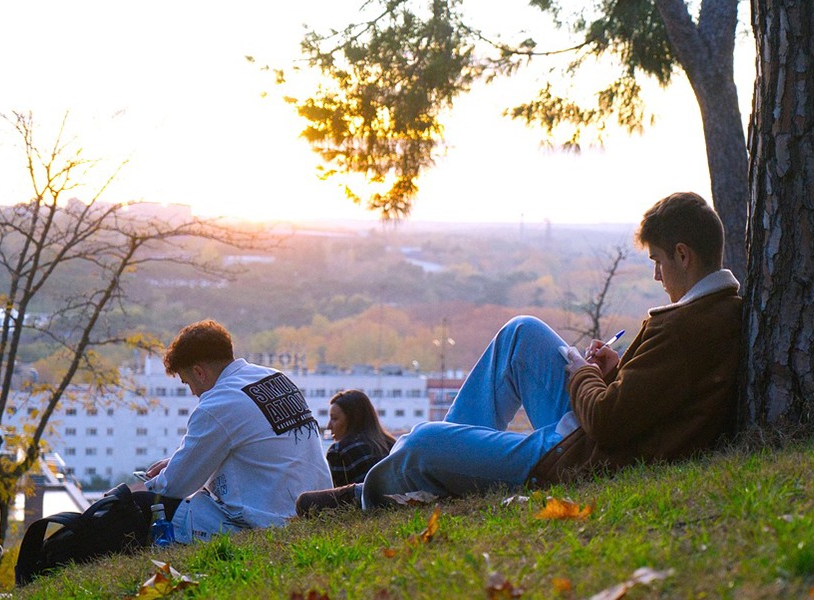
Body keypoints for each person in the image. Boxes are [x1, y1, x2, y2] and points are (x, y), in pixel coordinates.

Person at [296, 192, 742, 512]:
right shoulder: (708, 313)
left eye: (659, 262)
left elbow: (608, 423)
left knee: (426, 439)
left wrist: (583, 374)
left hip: (580, 457)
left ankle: (365, 494)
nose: (657, 277)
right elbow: (654, 396)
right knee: (521, 333)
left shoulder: (687, 327)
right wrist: (616, 370)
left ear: (683, 255)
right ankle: (442, 468)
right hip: (585, 435)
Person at [137, 320, 332, 543]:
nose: (192, 392)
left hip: (269, 522)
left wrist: (159, 477)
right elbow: (256, 444)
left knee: (142, 506)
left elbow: (174, 486)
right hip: (315, 510)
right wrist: (179, 461)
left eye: (187, 382)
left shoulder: (217, 403)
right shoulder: (275, 378)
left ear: (199, 373)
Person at [325, 390, 396, 487]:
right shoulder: (393, 445)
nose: (328, 426)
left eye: (334, 418)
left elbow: (335, 497)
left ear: (352, 420)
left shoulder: (338, 451)